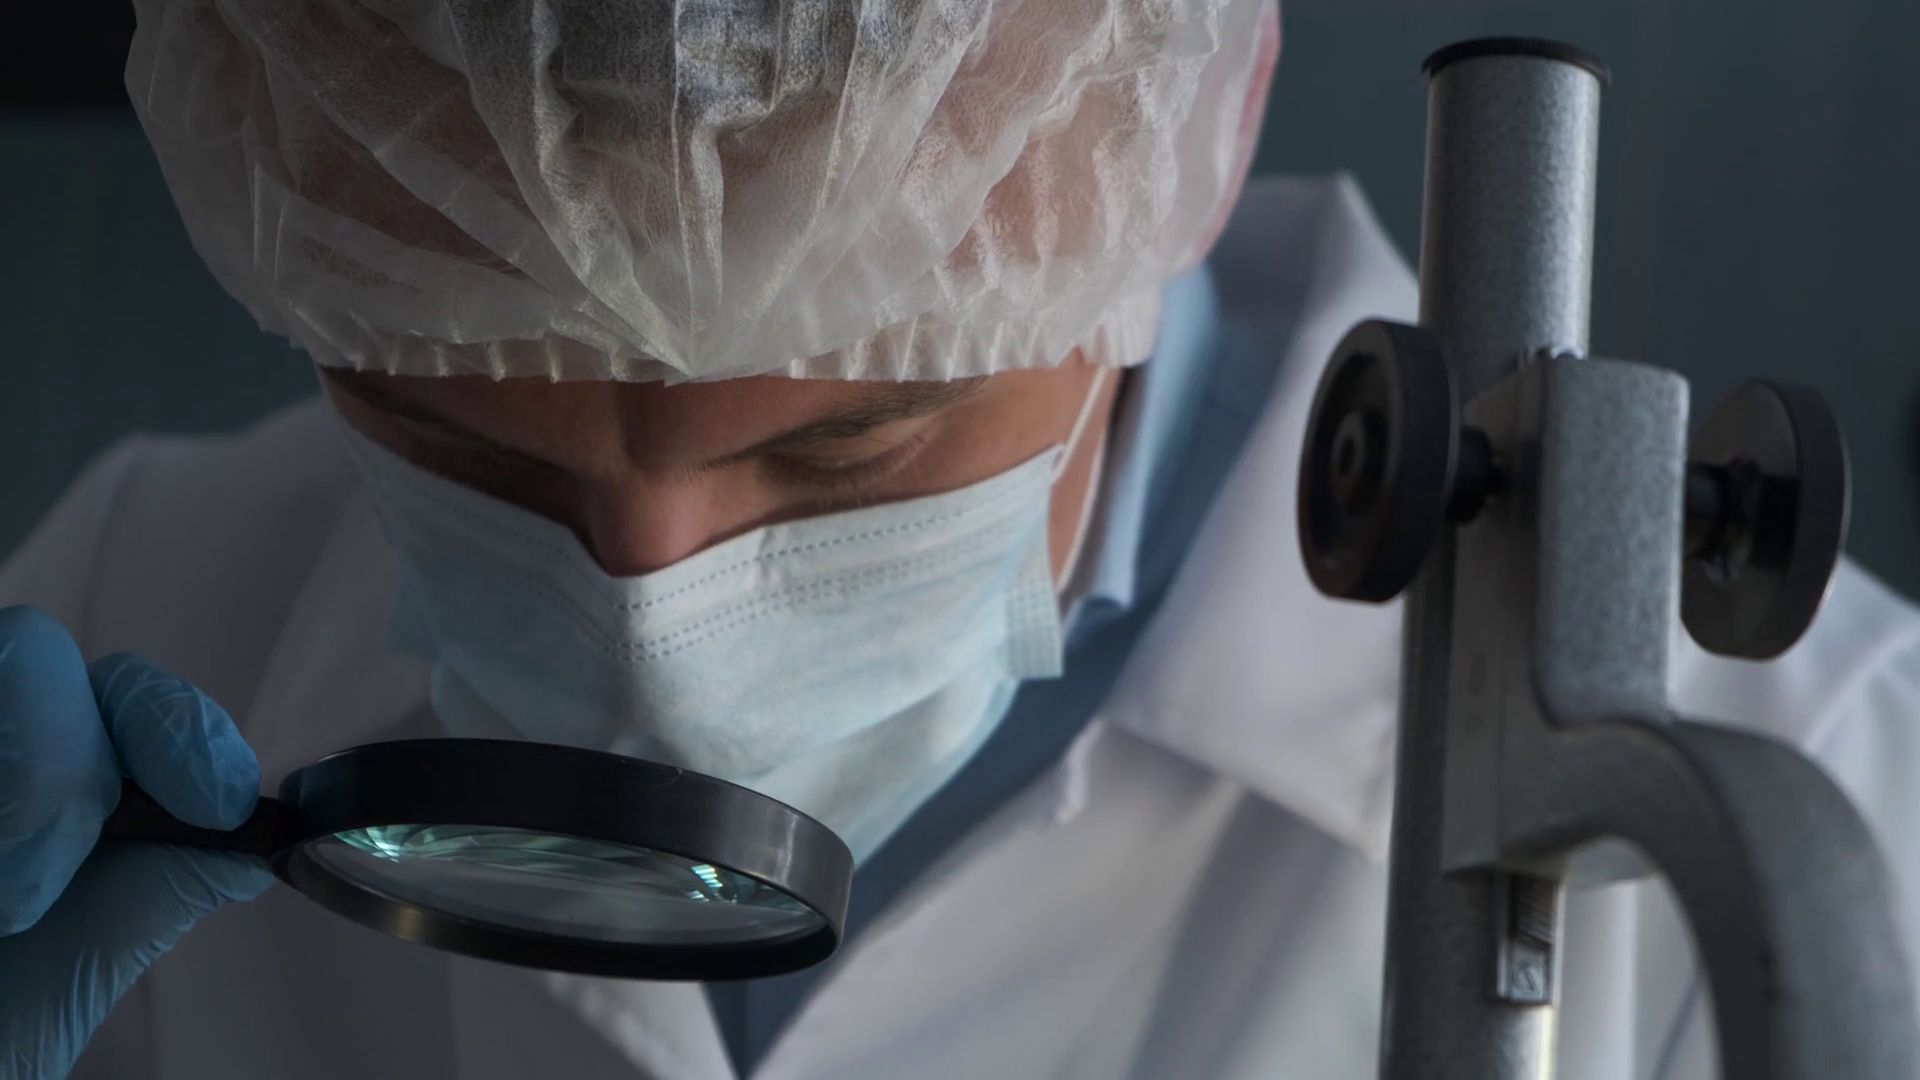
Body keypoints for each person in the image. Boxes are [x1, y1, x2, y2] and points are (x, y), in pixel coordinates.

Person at [2, 1, 1918, 1077]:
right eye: (449, 434)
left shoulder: (1803, 819)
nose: (646, 620)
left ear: (1181, 125)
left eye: (848, 451)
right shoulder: (136, 610)